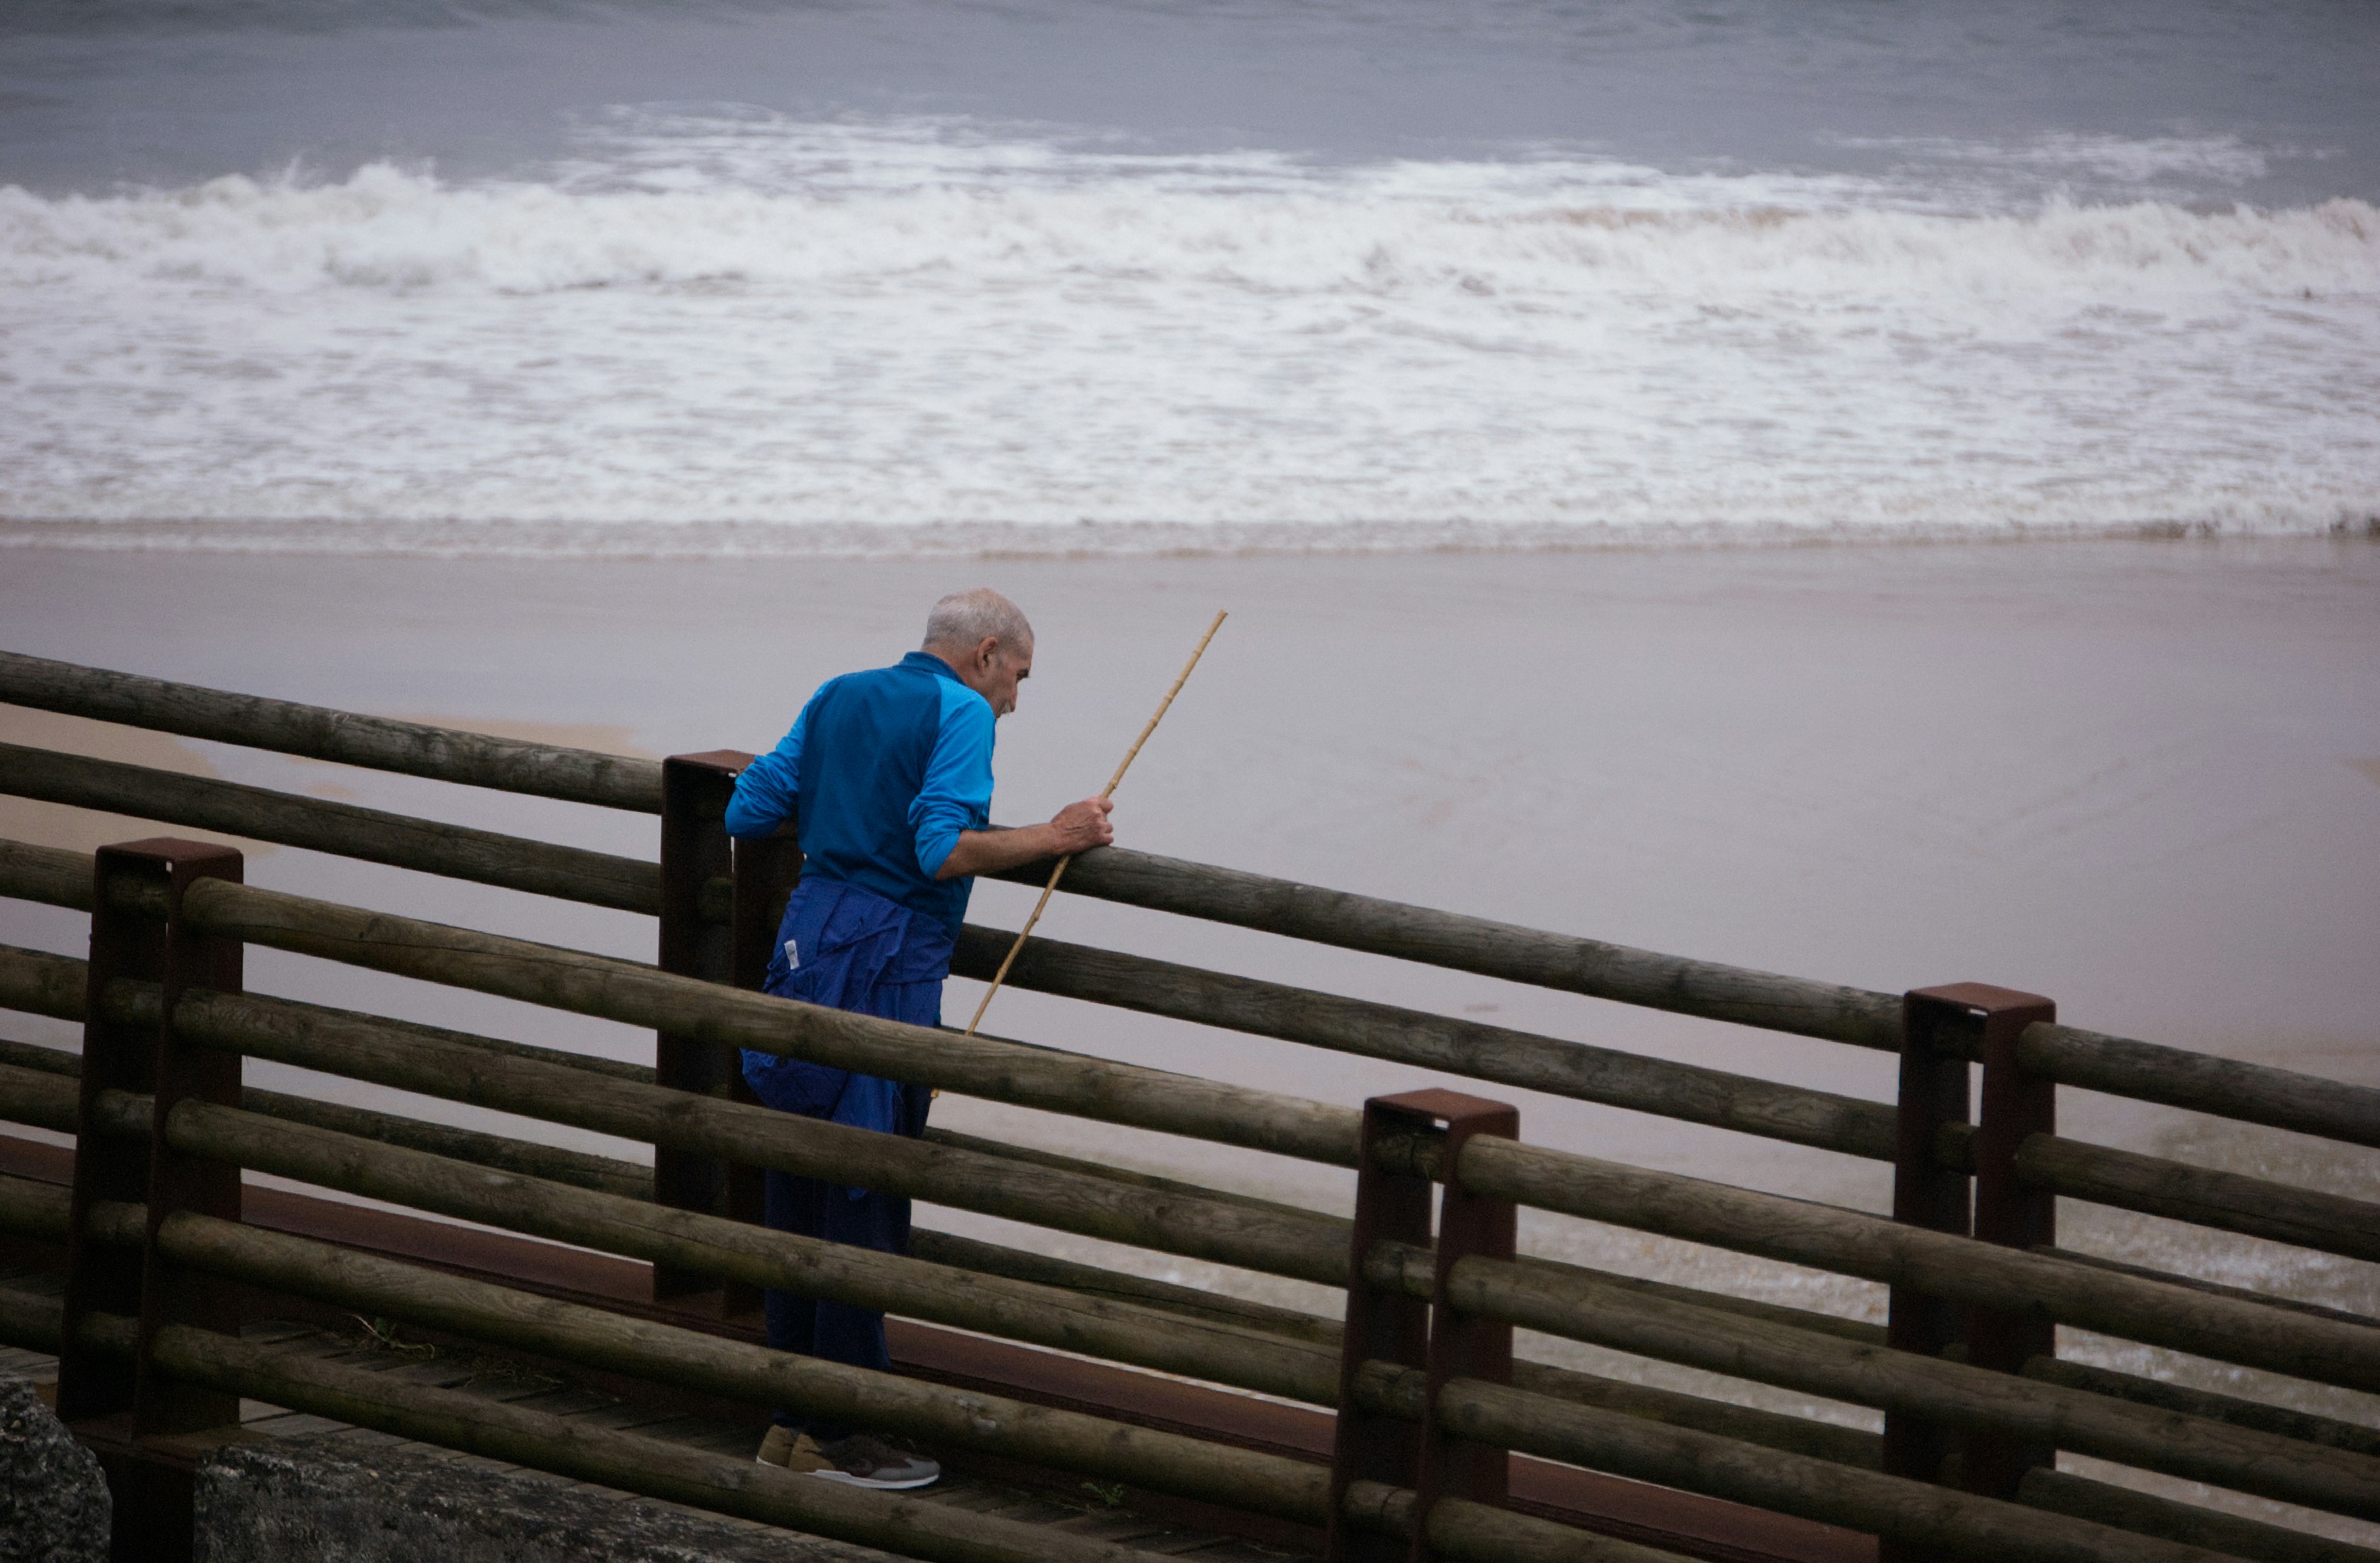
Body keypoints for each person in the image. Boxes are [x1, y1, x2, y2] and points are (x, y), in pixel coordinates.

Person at [724, 588, 1113, 1488]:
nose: (1016, 697)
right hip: (888, 961)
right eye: (1018, 675)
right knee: (868, 1188)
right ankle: (846, 1434)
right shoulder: (963, 711)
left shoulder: (838, 692)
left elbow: (749, 810)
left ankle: (792, 1423)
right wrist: (1057, 834)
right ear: (985, 654)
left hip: (805, 938)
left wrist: (849, 817)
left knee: (801, 1185)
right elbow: (942, 847)